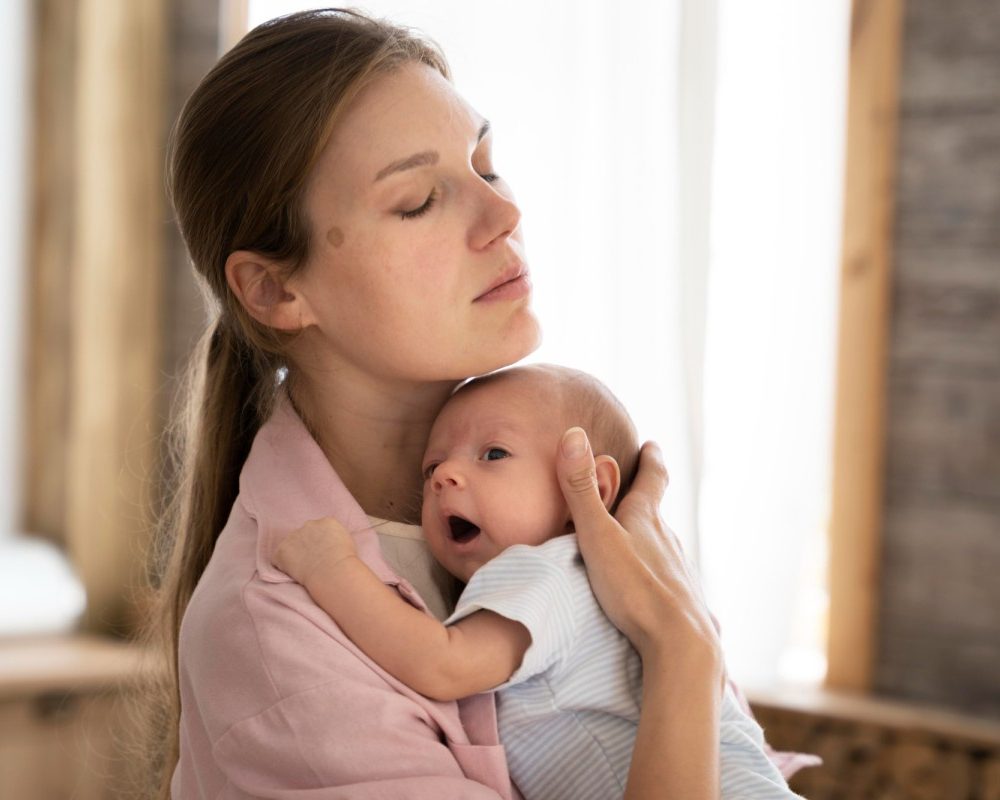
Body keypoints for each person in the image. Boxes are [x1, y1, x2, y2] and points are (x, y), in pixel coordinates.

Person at [142, 8, 769, 799]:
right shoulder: (275, 638)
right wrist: (683, 652)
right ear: (275, 289)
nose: (505, 215)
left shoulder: (561, 476)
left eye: (486, 163)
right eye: (417, 202)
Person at [272, 364, 803, 800]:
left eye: (493, 454)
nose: (443, 477)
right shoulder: (621, 586)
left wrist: (332, 570)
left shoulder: (546, 569)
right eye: (432, 466)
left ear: (590, 490)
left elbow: (442, 663)